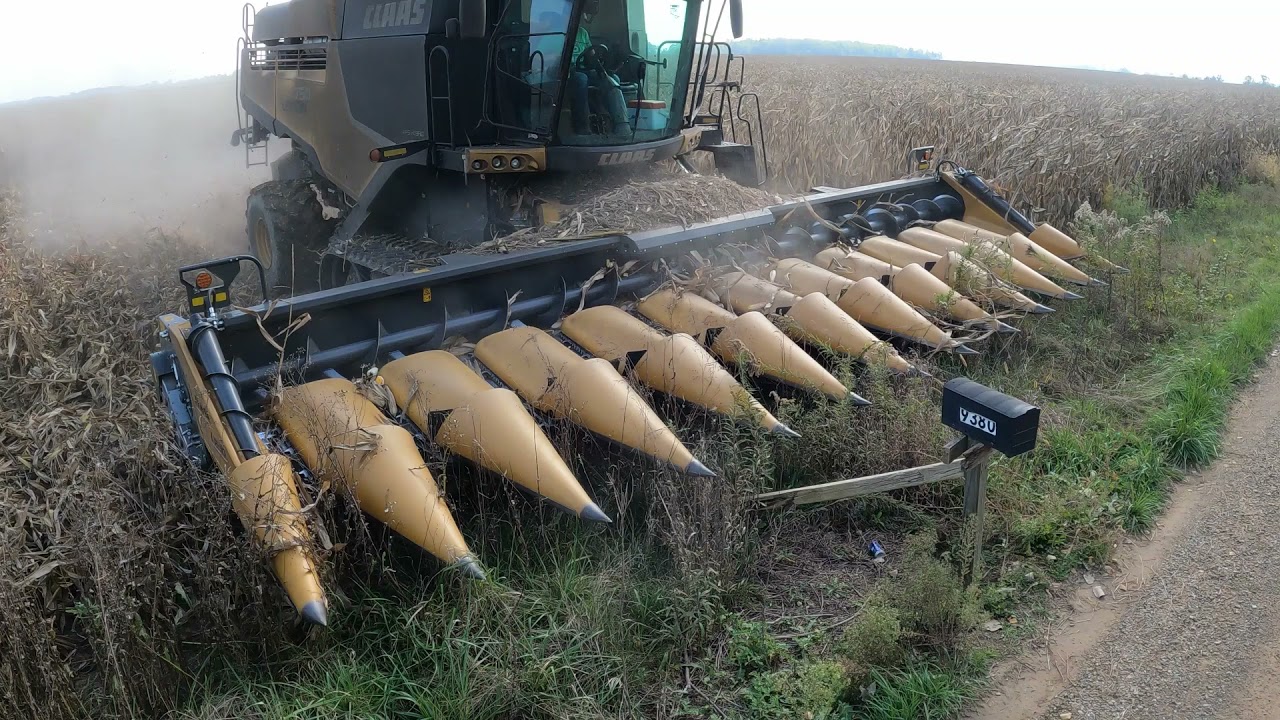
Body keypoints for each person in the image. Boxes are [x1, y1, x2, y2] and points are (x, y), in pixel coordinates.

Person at [566, 2, 630, 136]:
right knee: (581, 79)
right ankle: (582, 127)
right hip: (566, 73)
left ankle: (621, 125)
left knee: (613, 79)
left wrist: (597, 61)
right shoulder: (561, 33)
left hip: (584, 69)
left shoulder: (582, 33)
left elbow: (589, 54)